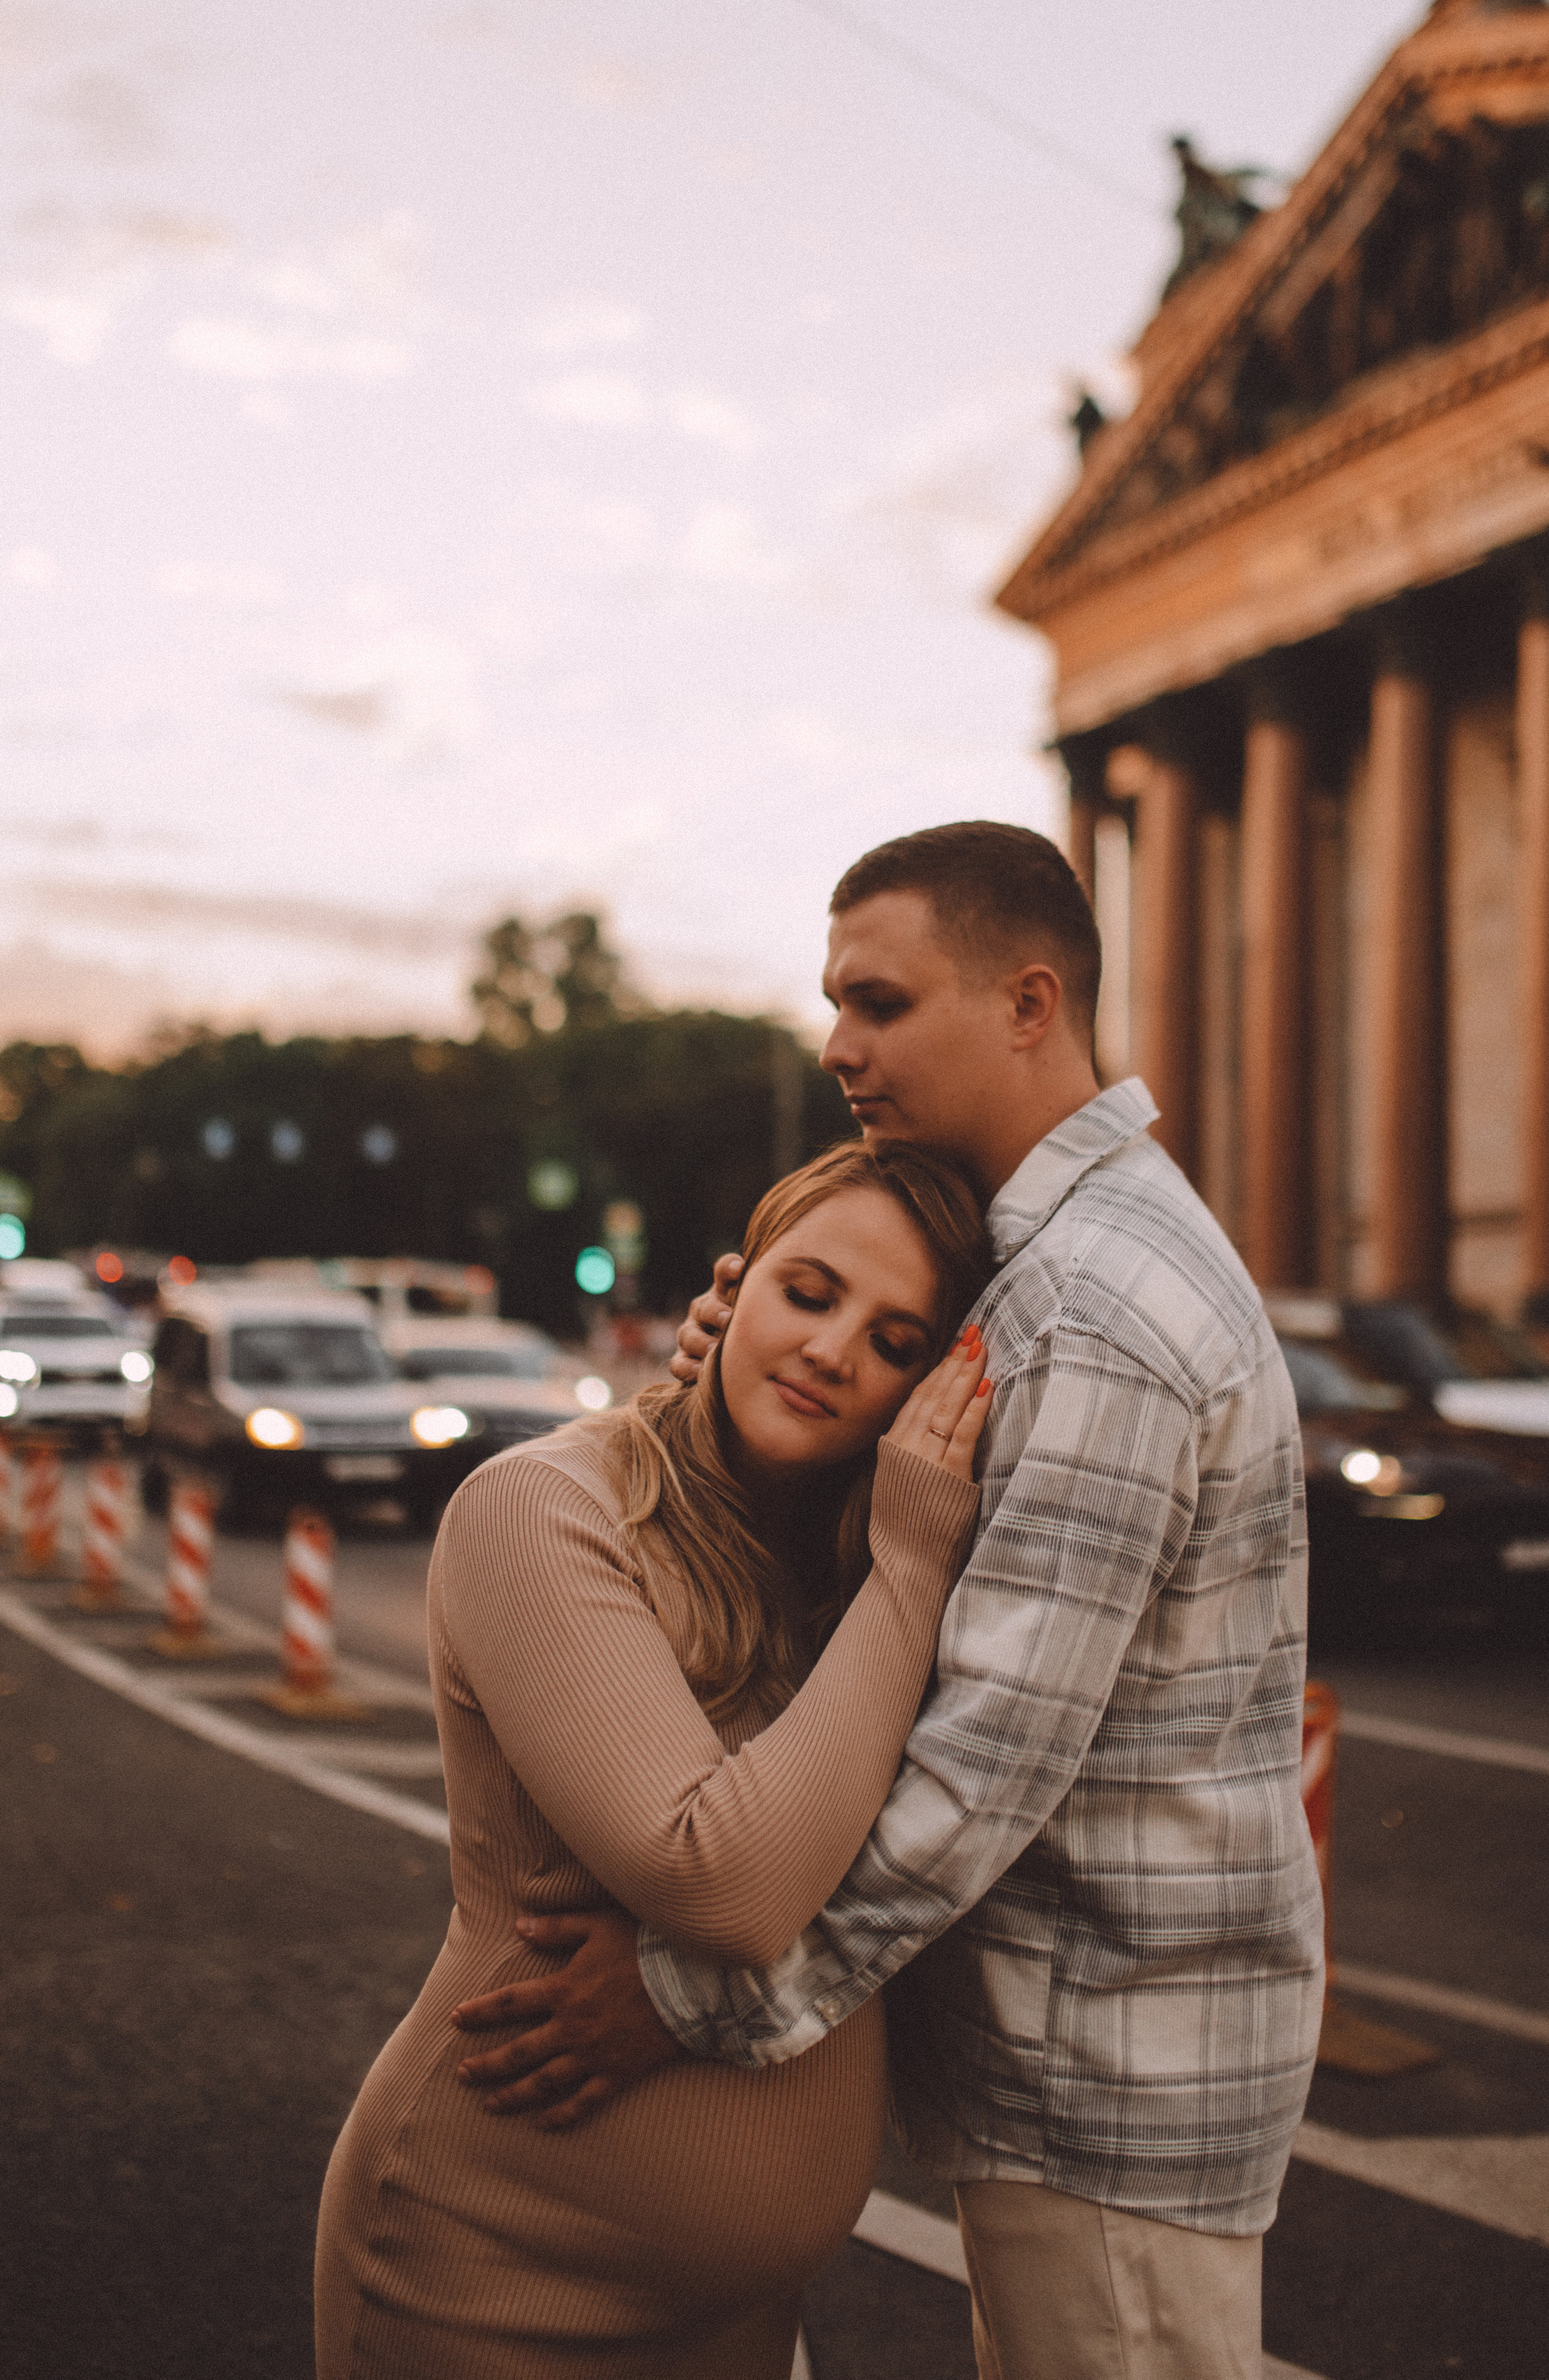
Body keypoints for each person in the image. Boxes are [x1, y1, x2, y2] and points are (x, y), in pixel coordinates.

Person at [453, 821, 1325, 2380]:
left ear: (1026, 1003)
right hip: (1082, 2054)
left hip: (1107, 2069)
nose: (837, 1043)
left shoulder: (1094, 1304)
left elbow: (982, 1761)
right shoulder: (1037, 1259)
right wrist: (741, 1375)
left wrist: (678, 1998)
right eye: (834, 1002)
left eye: (878, 1001)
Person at [314, 1138, 994, 2379]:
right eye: (809, 1292)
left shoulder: (841, 1554)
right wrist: (912, 1564)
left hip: (748, 2326)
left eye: (899, 1344)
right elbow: (722, 1884)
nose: (837, 1351)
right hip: (493, 2287)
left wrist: (889, 1556)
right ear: (730, 1289)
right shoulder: (542, 1508)